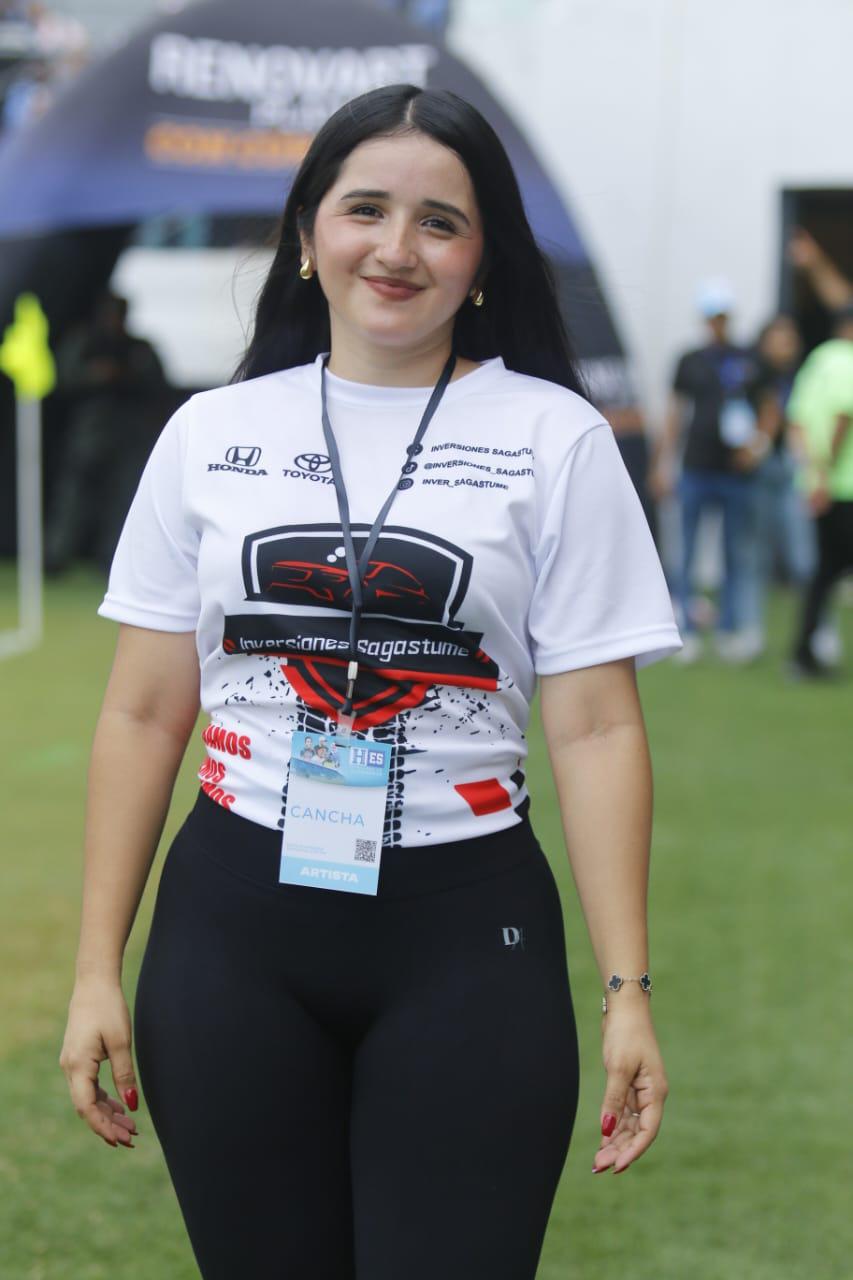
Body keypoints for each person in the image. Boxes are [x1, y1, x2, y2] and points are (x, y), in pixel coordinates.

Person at [59, 85, 681, 1280]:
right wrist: (97, 966)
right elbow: (143, 709)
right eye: (365, 209)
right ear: (306, 234)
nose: (397, 248)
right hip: (231, 938)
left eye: (440, 221)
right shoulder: (208, 434)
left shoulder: (556, 439)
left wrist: (628, 990)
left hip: (465, 935)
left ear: (485, 255)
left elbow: (597, 729)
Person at [650, 281, 776, 663]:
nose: (717, 324)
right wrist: (662, 464)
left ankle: (730, 629)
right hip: (696, 467)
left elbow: (771, 406)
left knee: (736, 550)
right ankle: (685, 627)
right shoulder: (690, 360)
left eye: (722, 317)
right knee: (685, 549)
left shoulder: (750, 359)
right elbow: (675, 414)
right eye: (712, 317)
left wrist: (758, 446)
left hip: (736, 472)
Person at [45, 291, 169, 574]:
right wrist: (95, 375)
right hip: (88, 433)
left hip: (129, 436)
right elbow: (62, 380)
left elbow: (157, 385)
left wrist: (124, 375)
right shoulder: (85, 343)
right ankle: (56, 558)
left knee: (123, 500)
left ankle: (112, 559)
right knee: (73, 499)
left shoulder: (138, 348)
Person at [787, 305, 853, 677]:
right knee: (828, 572)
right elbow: (843, 416)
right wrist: (826, 474)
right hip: (844, 488)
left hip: (818, 485)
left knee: (824, 573)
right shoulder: (847, 361)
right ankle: (807, 652)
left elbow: (795, 421)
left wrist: (811, 472)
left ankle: (804, 653)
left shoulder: (816, 361)